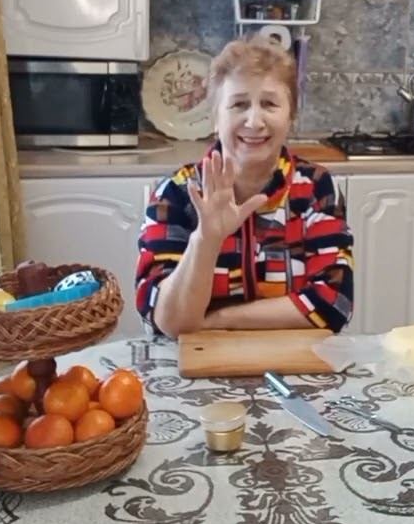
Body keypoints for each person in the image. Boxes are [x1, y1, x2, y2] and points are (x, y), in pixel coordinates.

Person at [135, 39, 353, 338]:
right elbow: (169, 322)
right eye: (239, 104)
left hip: (292, 358)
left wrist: (216, 320)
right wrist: (206, 239)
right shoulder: (176, 193)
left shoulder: (315, 186)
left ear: (290, 116)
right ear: (215, 117)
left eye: (269, 104)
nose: (254, 121)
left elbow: (333, 304)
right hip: (194, 361)